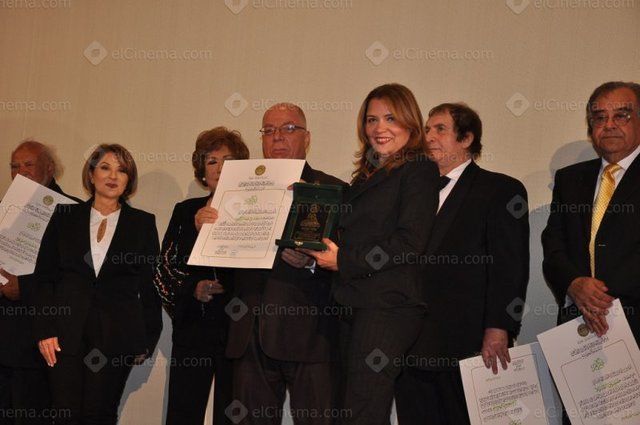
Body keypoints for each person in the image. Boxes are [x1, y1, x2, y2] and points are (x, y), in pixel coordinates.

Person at [305, 84, 439, 425]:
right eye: (371, 119)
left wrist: (343, 260)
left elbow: (410, 241)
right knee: (346, 410)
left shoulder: (419, 169)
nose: (379, 128)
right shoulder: (366, 176)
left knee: (363, 411)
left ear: (410, 122)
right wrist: (304, 209)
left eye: (391, 118)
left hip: (388, 308)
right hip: (352, 304)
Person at [393, 103, 530, 425]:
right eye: (427, 129)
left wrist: (498, 327)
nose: (429, 137)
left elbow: (510, 266)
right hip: (406, 342)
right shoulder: (408, 190)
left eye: (440, 129)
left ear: (466, 138)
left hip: (465, 342)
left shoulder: (500, 190)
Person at [210, 103, 345, 425]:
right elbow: (225, 261)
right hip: (249, 334)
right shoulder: (239, 188)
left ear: (307, 137)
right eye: (269, 130)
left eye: (288, 128)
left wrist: (312, 262)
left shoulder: (332, 190)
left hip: (310, 336)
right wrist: (209, 228)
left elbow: (348, 261)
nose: (277, 137)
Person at [32, 144, 162, 425]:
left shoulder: (142, 224)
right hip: (64, 335)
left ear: (129, 180)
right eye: (105, 167)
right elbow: (43, 278)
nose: (113, 176)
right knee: (65, 412)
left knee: (100, 414)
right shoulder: (64, 217)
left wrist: (146, 338)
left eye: (121, 170)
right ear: (91, 175)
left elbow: (149, 285)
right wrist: (45, 330)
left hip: (116, 336)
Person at [153, 127, 249, 425]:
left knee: (233, 415)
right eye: (212, 161)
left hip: (238, 329)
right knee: (183, 412)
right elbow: (164, 269)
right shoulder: (186, 211)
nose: (220, 168)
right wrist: (194, 288)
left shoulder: (255, 210)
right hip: (194, 328)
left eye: (228, 161)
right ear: (202, 171)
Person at [1, 140, 80, 425]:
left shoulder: (73, 212)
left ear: (49, 168)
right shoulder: (4, 209)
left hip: (40, 336)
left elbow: (71, 276)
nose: (20, 172)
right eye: (14, 166)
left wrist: (24, 287)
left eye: (28, 164)